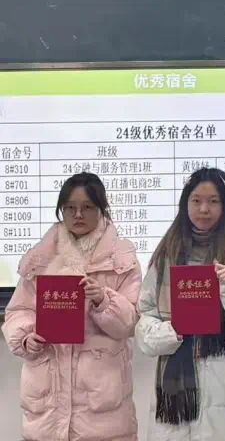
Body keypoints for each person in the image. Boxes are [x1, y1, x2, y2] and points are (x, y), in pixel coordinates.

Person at [135, 167, 225, 441]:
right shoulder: (167, 255)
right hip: (174, 401)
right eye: (196, 200)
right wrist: (170, 332)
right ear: (185, 204)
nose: (204, 209)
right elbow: (145, 316)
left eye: (213, 201)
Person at [2, 172, 141, 441]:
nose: (78, 214)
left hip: (101, 407)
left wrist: (103, 300)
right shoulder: (40, 259)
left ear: (101, 209)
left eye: (87, 207)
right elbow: (17, 312)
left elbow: (131, 322)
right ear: (61, 210)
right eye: (70, 208)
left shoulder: (121, 260)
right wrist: (26, 337)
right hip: (48, 403)